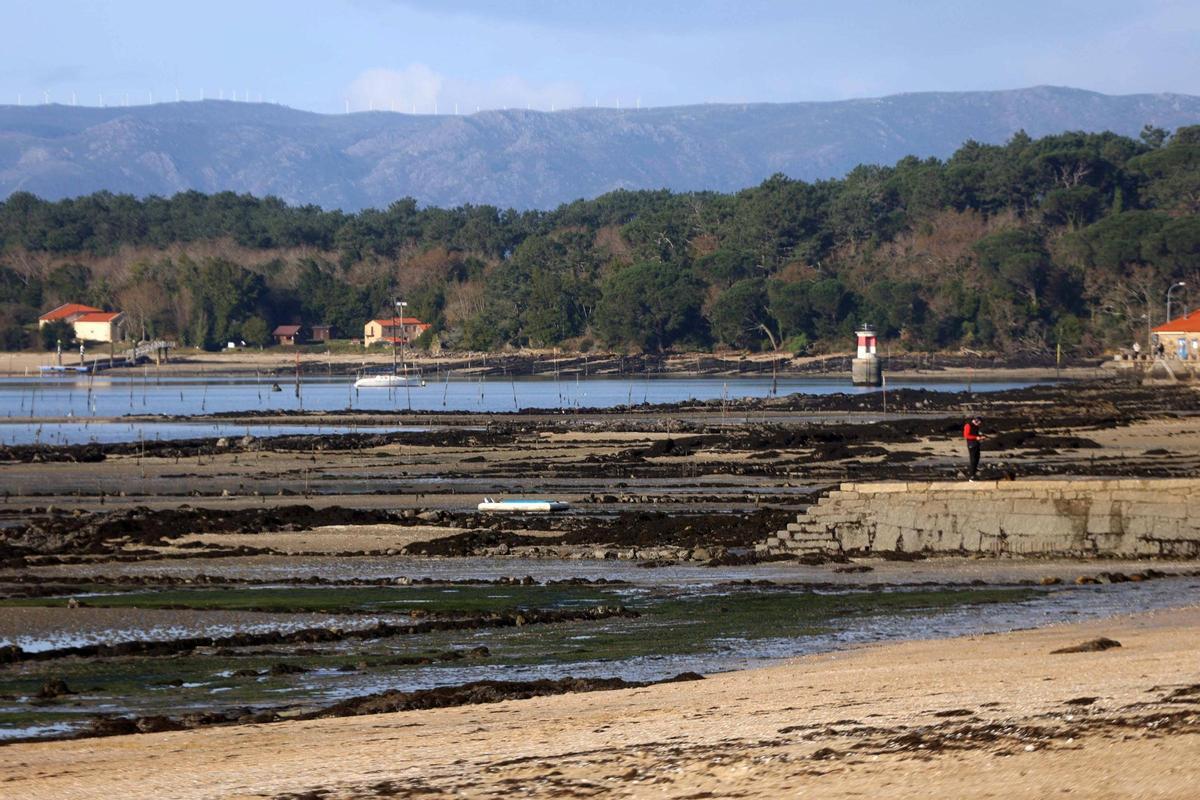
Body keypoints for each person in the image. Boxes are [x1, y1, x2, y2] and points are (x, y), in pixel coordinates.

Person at [963, 416, 985, 480]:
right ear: (975, 421)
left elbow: (975, 434)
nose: (979, 425)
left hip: (976, 444)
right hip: (971, 445)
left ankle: (974, 474)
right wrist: (976, 437)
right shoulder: (968, 425)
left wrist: (980, 437)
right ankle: (972, 476)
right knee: (973, 460)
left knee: (977, 459)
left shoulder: (976, 426)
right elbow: (966, 435)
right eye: (979, 423)